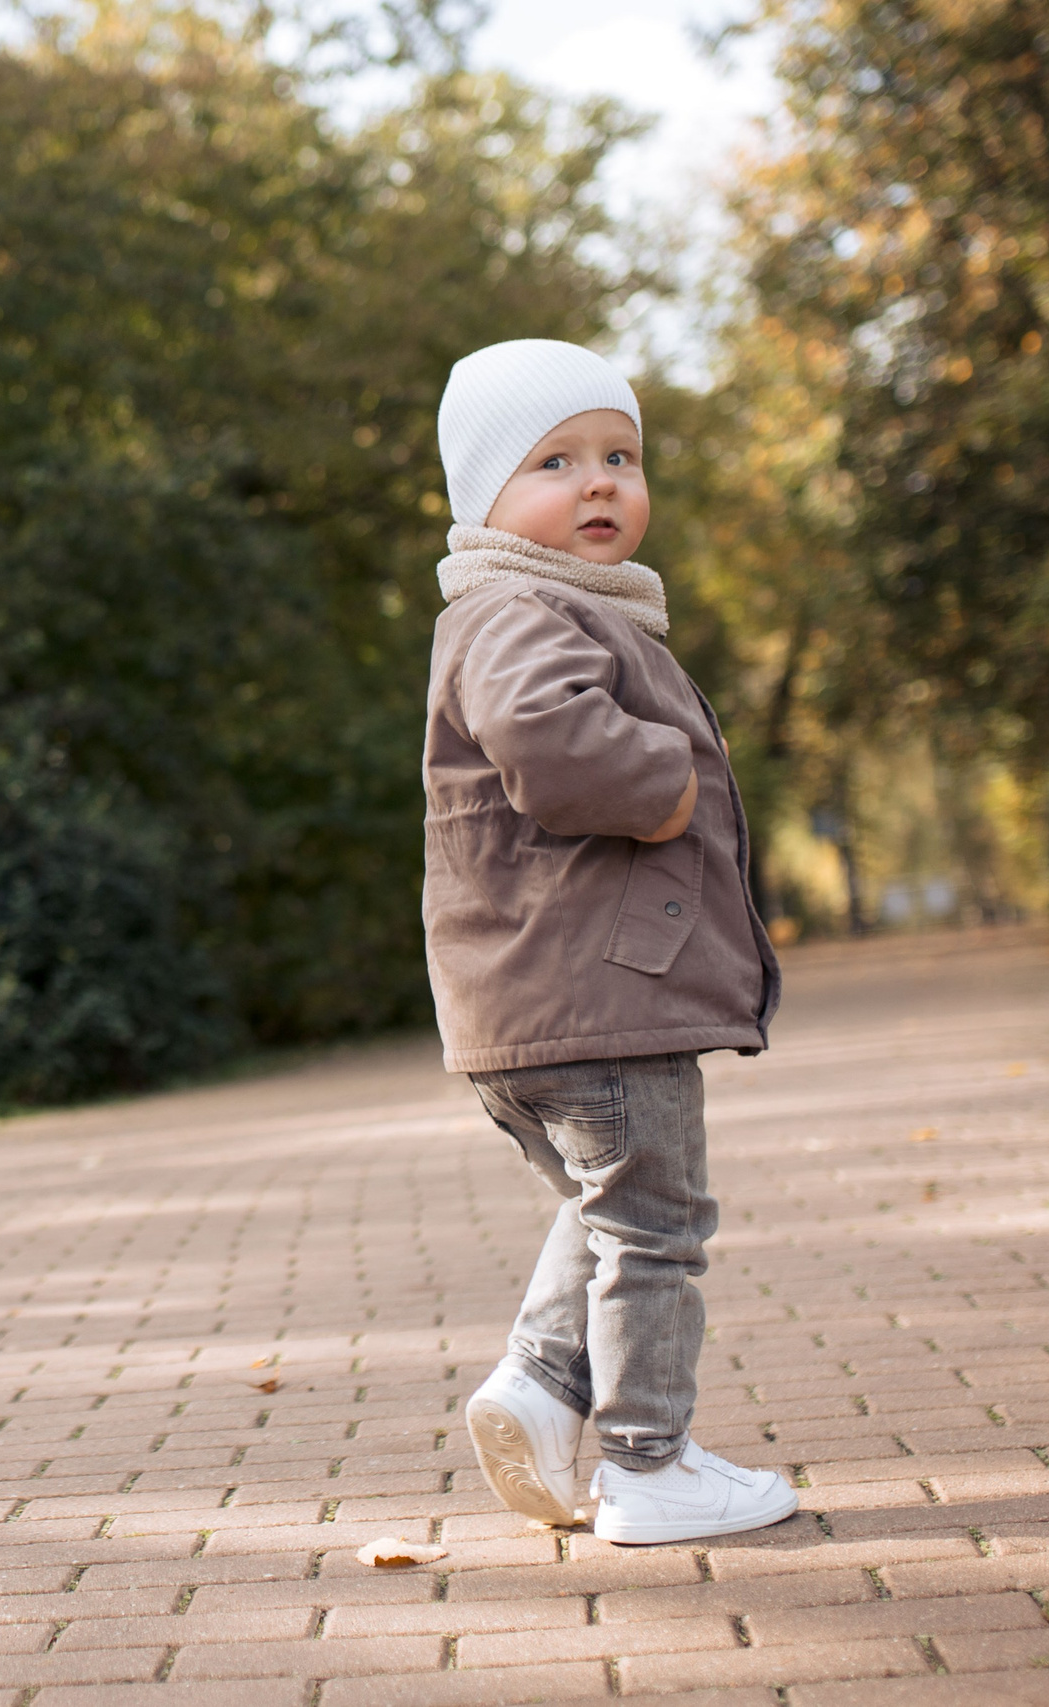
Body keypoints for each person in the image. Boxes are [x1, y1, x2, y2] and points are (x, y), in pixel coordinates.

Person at [422, 339, 798, 1545]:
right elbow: (545, 738)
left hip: (536, 1010)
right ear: (482, 497)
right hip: (601, 999)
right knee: (654, 1229)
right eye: (555, 461)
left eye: (619, 457)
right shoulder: (518, 608)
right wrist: (667, 779)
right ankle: (649, 1463)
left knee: (609, 1209)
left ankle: (537, 1386)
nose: (599, 483)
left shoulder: (538, 610)